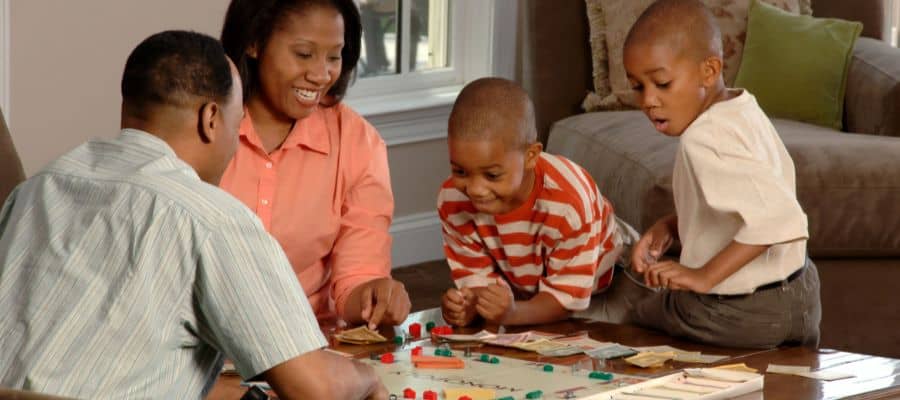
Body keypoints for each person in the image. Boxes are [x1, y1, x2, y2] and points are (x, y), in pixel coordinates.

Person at [0, 30, 386, 399]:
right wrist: (368, 377)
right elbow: (315, 389)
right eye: (236, 127)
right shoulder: (212, 219)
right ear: (211, 119)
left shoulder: (38, 188)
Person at [623, 0, 821, 348]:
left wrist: (702, 277)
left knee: (638, 311)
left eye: (662, 83)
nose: (648, 101)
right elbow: (756, 200)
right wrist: (672, 225)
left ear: (709, 70)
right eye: (638, 87)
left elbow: (779, 220)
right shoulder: (742, 107)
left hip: (743, 311)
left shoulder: (703, 137)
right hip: (802, 295)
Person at [219, 0, 410, 330]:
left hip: (306, 347)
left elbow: (358, 276)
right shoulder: (204, 128)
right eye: (304, 54)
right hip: (207, 352)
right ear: (253, 43)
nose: (321, 75)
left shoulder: (357, 141)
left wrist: (373, 295)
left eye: (334, 56)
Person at [438, 77, 634, 327]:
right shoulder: (453, 201)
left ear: (531, 156)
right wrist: (469, 306)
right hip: (530, 283)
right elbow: (479, 286)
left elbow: (565, 300)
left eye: (492, 175)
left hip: (609, 275)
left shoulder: (569, 203)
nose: (475, 190)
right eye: (460, 171)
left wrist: (513, 314)